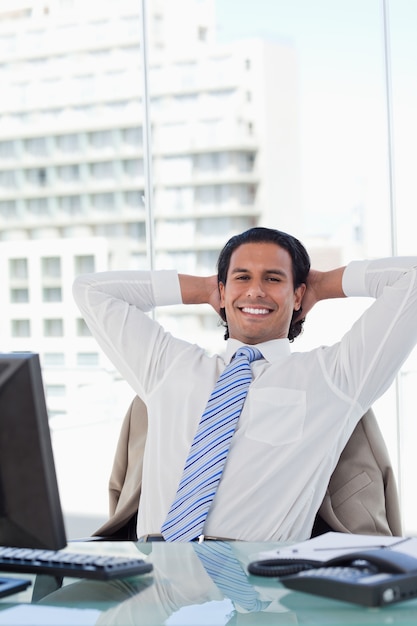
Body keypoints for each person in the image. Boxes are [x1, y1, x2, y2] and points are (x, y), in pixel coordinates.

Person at [72, 227, 417, 542]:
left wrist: (321, 285)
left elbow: (412, 277)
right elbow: (90, 290)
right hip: (156, 579)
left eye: (272, 279)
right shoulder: (168, 366)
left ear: (297, 296)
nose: (255, 290)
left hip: (254, 591)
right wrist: (205, 289)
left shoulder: (334, 377)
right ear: (222, 291)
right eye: (242, 277)